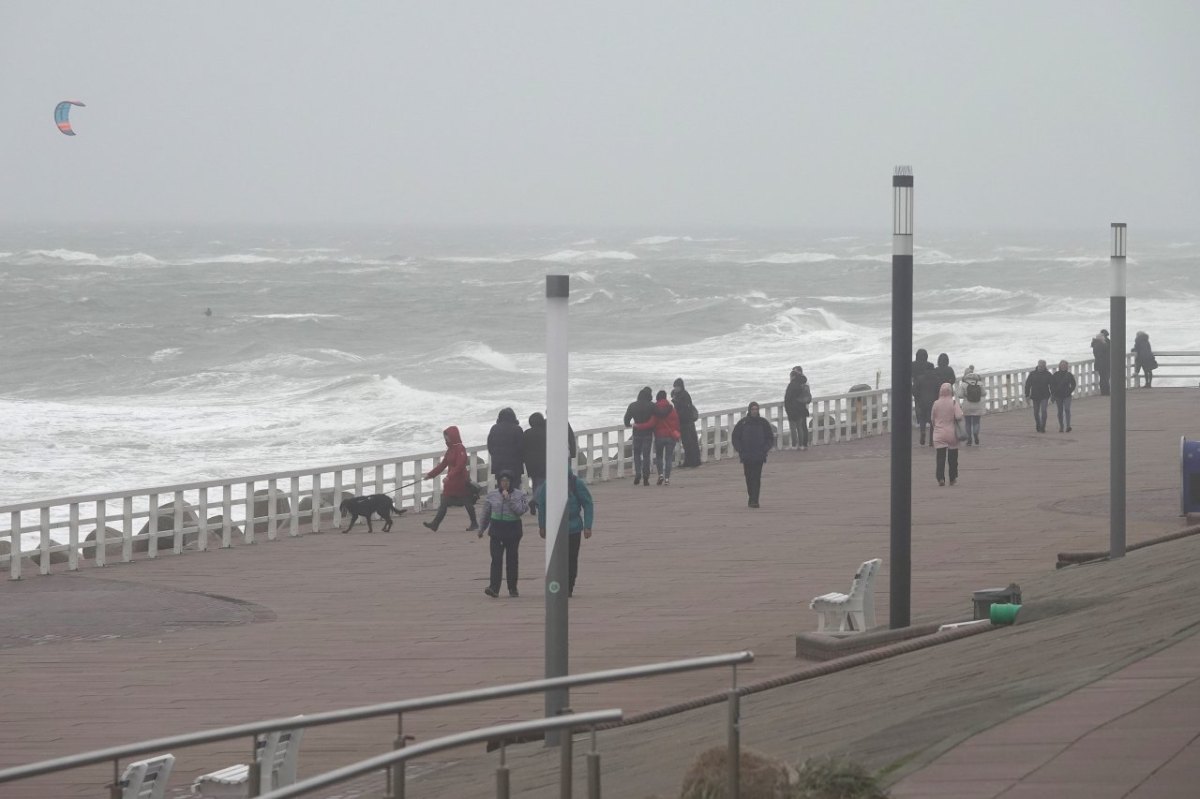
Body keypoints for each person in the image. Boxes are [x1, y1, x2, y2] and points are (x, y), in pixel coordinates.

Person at [536, 471, 594, 597]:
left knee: (571, 559)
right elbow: (542, 504)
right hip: (555, 529)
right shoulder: (548, 484)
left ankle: (569, 586)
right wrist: (542, 525)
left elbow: (588, 503)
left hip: (573, 528)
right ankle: (557, 585)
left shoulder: (576, 483)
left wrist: (587, 526)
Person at [477, 471, 528, 598]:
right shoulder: (492, 495)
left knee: (512, 560)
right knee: (496, 559)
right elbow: (486, 512)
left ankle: (512, 588)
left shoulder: (519, 495)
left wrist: (509, 499)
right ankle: (494, 588)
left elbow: (520, 511)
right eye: (502, 481)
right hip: (496, 529)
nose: (505, 484)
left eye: (507, 481)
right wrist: (481, 528)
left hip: (513, 529)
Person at [422, 425, 479, 532]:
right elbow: (443, 465)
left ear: (453, 436)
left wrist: (449, 476)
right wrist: (430, 475)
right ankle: (435, 524)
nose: (446, 438)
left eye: (447, 436)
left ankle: (474, 523)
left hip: (461, 481)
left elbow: (460, 465)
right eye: (445, 436)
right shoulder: (450, 450)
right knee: (444, 501)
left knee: (467, 502)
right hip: (451, 482)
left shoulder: (460, 448)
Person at [522, 412, 576, 510]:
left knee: (535, 482)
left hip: (531, 463)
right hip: (544, 461)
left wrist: (523, 459)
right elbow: (568, 438)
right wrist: (572, 452)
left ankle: (537, 502)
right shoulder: (546, 432)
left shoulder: (526, 433)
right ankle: (536, 500)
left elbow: (522, 448)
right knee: (543, 482)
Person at [731, 401, 775, 508]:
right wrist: (740, 449)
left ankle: (755, 500)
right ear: (749, 410)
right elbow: (735, 437)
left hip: (759, 455)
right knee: (748, 477)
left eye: (756, 409)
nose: (754, 411)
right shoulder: (743, 423)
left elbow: (770, 438)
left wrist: (764, 449)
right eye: (753, 409)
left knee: (756, 477)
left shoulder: (763, 423)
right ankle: (751, 497)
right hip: (746, 455)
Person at [930, 383, 965, 486]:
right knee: (953, 457)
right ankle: (952, 477)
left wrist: (936, 426)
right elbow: (959, 416)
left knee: (940, 457)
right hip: (952, 432)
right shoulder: (954, 403)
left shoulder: (936, 403)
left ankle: (940, 478)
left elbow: (932, 418)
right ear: (951, 391)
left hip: (939, 433)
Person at [623, 386, 656, 486]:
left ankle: (638, 473)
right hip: (648, 433)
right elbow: (656, 419)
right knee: (646, 455)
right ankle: (646, 476)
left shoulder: (632, 405)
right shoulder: (652, 405)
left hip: (637, 433)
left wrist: (630, 424)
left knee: (636, 454)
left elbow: (626, 420)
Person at [648, 390, 681, 485]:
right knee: (669, 457)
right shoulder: (672, 409)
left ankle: (660, 475)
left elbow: (652, 422)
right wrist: (677, 432)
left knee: (659, 456)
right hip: (670, 436)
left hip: (659, 436)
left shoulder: (655, 409)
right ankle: (667, 479)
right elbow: (677, 423)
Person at [487, 408, 525, 484]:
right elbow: (521, 448)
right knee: (514, 489)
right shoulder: (517, 429)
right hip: (514, 465)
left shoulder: (494, 428)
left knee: (502, 488)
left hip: (498, 465)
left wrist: (496, 456)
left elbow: (490, 446)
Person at [671, 378, 702, 467]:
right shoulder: (679, 395)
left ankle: (693, 461)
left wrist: (675, 402)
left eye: (677, 386)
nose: (676, 388)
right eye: (675, 387)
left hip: (686, 422)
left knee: (690, 442)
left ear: (681, 387)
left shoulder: (684, 395)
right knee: (688, 442)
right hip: (685, 422)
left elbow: (684, 409)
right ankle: (691, 461)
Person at [955, 365, 986, 446]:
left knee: (968, 423)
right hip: (977, 405)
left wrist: (966, 395)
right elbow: (984, 393)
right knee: (976, 422)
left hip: (967, 405)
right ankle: (975, 433)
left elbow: (960, 395)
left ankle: (969, 439)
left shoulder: (964, 384)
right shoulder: (979, 383)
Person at [911, 349, 936, 447]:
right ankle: (931, 439)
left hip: (919, 392)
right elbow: (935, 378)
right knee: (932, 417)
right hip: (931, 394)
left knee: (921, 415)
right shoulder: (930, 365)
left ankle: (922, 431)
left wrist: (916, 394)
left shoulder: (913, 365)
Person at [783, 367, 812, 450]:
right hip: (801, 408)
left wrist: (787, 409)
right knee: (800, 427)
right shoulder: (803, 384)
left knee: (793, 428)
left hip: (792, 409)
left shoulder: (791, 385)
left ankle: (794, 445)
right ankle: (802, 445)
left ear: (793, 376)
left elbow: (787, 398)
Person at [1024, 360, 1053, 433]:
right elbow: (1028, 385)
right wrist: (1027, 395)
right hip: (1035, 395)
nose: (1041, 367)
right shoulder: (1032, 374)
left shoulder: (1048, 374)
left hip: (1045, 395)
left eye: (1042, 366)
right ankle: (1038, 424)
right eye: (1040, 366)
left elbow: (1052, 385)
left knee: (1043, 411)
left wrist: (1053, 394)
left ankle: (1043, 426)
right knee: (1036, 412)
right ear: (1038, 365)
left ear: (1045, 366)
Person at [1050, 360, 1077, 433]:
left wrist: (1070, 390)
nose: (1063, 366)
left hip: (1067, 395)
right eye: (1062, 365)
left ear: (1067, 366)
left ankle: (1068, 426)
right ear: (1059, 366)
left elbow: (1074, 384)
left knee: (1067, 409)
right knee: (1060, 411)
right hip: (1058, 396)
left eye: (1065, 365)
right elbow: (1052, 385)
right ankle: (1061, 426)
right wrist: (1053, 394)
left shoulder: (1069, 374)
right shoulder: (1055, 374)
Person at [1091, 329, 1111, 395]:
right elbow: (1101, 354)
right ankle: (1106, 392)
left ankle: (1104, 392)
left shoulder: (1096, 344)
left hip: (1101, 364)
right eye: (1103, 337)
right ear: (1101, 338)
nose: (1104, 338)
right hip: (1103, 364)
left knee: (1103, 378)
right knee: (1105, 378)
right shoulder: (1100, 344)